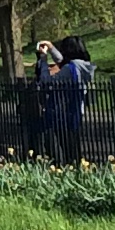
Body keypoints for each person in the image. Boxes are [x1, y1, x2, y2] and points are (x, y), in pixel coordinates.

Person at [49, 35, 93, 163]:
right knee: (74, 141)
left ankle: (71, 165)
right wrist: (51, 48)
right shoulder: (84, 66)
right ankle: (76, 165)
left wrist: (43, 59)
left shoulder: (69, 68)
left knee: (66, 144)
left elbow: (47, 81)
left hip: (63, 111)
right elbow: (61, 61)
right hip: (77, 108)